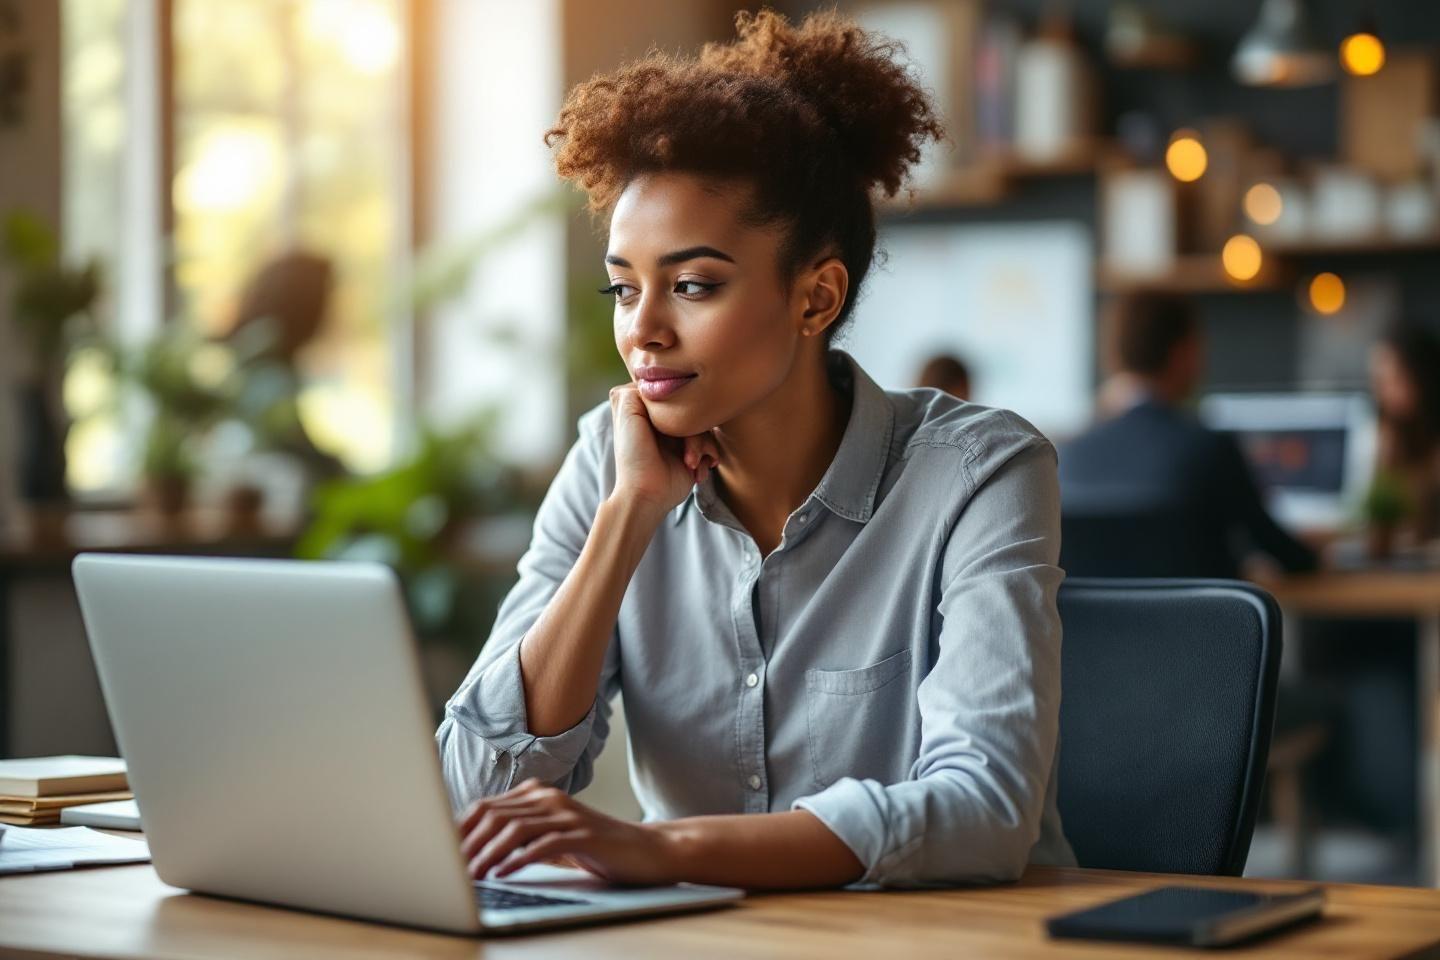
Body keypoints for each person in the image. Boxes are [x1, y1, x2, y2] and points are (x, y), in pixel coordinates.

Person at [436, 10, 1075, 891]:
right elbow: (479, 793)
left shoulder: (978, 472)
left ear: (815, 297)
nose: (644, 331)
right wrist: (625, 519)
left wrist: (668, 849)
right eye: (624, 289)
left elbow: (985, 811)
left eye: (692, 285)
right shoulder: (609, 461)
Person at [1059, 293, 1317, 576]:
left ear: (1115, 353)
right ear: (1184, 351)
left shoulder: (1068, 457)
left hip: (1101, 622)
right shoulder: (1209, 449)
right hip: (1201, 621)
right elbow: (1281, 551)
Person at [1369, 325, 1440, 543]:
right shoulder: (1392, 437)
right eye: (1378, 381)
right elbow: (1380, 528)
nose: (1383, 392)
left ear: (1422, 376)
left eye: (1394, 379)